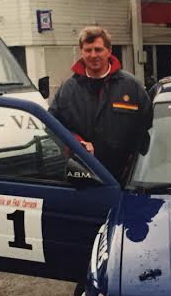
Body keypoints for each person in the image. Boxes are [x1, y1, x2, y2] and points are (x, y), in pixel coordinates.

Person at [49, 27, 152, 182]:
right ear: (81, 52)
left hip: (124, 178)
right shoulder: (68, 89)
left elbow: (148, 128)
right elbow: (52, 124)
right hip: (81, 175)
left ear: (109, 51)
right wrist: (76, 142)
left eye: (98, 50)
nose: (93, 55)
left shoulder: (132, 87)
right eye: (88, 50)